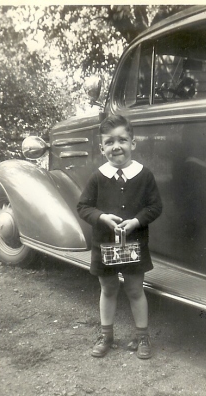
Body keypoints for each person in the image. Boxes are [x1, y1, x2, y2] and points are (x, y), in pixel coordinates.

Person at [77, 115, 162, 359]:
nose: (116, 146)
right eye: (110, 142)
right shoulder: (97, 177)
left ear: (133, 143)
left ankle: (142, 336)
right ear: (102, 148)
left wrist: (136, 221)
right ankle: (106, 335)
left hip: (134, 244)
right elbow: (83, 207)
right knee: (108, 288)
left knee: (136, 289)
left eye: (122, 140)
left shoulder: (144, 176)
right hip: (105, 244)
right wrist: (102, 217)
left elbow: (155, 207)